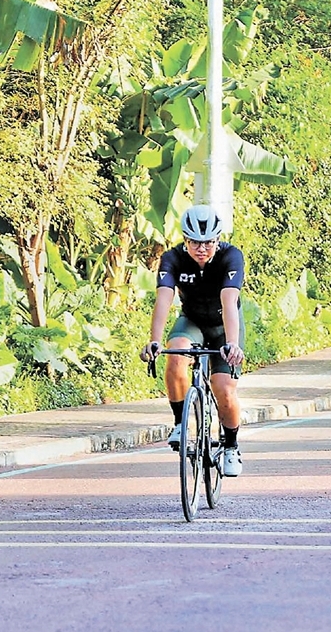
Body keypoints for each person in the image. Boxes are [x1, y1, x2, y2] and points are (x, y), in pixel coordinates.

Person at [142, 204, 247, 476]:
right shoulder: (173, 258)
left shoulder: (231, 257)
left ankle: (231, 446)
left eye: (208, 242)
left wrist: (232, 344)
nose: (202, 249)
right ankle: (179, 422)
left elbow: (229, 300)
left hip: (224, 325)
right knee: (176, 352)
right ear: (185, 240)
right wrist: (154, 340)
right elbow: (164, 298)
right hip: (193, 322)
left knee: (223, 387)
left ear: (217, 239)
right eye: (194, 242)